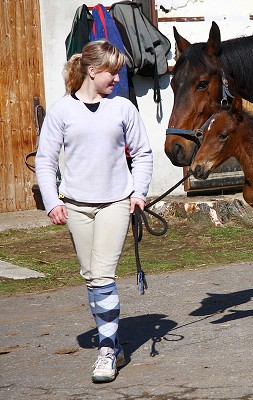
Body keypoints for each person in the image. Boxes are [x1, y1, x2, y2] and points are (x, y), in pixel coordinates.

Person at [35, 40, 153, 383]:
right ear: (91, 70)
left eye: (118, 72)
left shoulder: (123, 109)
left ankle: (106, 349)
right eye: (111, 72)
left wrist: (138, 192)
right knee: (91, 277)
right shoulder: (61, 111)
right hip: (74, 206)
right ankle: (111, 339)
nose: (117, 79)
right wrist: (53, 201)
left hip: (116, 202)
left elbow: (143, 153)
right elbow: (45, 160)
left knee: (102, 276)